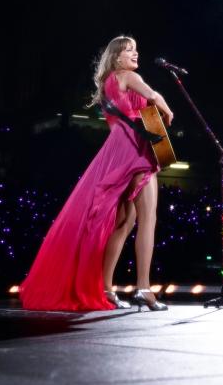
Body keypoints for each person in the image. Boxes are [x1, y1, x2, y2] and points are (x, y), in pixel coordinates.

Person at [19, 35, 174, 311]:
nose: (135, 54)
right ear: (116, 58)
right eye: (129, 51)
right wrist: (166, 109)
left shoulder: (107, 83)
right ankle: (144, 289)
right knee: (148, 219)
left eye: (136, 49)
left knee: (124, 221)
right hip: (135, 149)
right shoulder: (126, 75)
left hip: (115, 150)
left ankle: (105, 289)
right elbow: (153, 94)